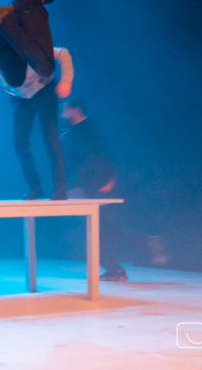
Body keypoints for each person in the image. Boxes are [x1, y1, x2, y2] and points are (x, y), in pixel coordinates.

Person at [60, 99, 167, 281]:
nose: (62, 112)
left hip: (95, 186)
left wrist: (110, 179)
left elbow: (105, 154)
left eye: (65, 109)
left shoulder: (90, 130)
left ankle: (118, 267)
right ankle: (144, 243)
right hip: (88, 185)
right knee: (106, 229)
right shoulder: (75, 132)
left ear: (75, 110)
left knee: (95, 231)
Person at [0, 38, 73, 200]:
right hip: (20, 98)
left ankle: (60, 188)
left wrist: (66, 80)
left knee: (51, 137)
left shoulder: (26, 50)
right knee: (20, 142)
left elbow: (63, 53)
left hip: (44, 90)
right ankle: (34, 187)